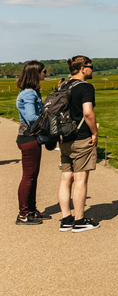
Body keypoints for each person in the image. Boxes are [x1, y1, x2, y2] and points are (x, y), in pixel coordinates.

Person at [58, 55, 100, 232]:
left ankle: (66, 218)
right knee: (81, 179)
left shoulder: (62, 86)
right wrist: (94, 132)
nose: (92, 70)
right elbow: (87, 113)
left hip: (63, 137)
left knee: (66, 178)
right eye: (91, 67)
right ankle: (79, 220)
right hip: (80, 136)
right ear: (83, 68)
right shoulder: (86, 87)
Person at [15, 61, 52, 225]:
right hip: (29, 137)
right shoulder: (29, 93)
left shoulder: (30, 92)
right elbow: (31, 117)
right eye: (43, 71)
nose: (45, 73)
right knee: (29, 177)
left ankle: (31, 210)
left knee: (33, 176)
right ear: (35, 73)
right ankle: (23, 215)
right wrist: (47, 127)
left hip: (28, 137)